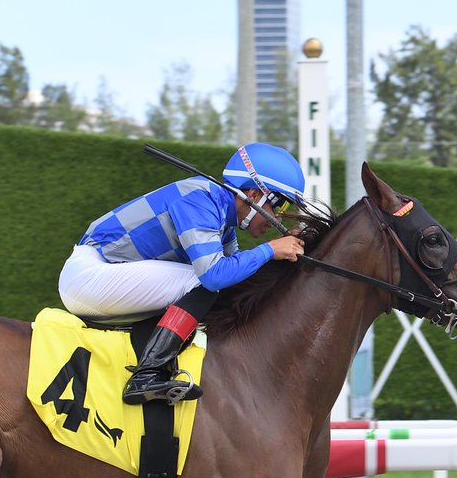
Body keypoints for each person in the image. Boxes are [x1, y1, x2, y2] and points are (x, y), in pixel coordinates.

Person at [58, 143, 307, 404]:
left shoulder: (222, 222)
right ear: (255, 195)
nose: (278, 217)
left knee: (216, 283)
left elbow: (238, 276)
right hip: (88, 275)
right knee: (204, 281)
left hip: (102, 278)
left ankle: (149, 365)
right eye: (279, 207)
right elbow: (214, 276)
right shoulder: (200, 198)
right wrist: (269, 250)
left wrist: (283, 254)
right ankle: (146, 376)